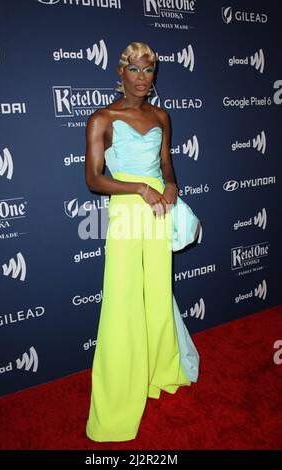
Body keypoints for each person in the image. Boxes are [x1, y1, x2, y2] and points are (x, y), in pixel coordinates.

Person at [84, 41, 199, 442]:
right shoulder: (102, 118)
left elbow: (167, 163)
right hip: (128, 212)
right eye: (133, 70)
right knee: (122, 299)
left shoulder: (162, 116)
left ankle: (160, 370)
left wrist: (170, 185)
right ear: (120, 73)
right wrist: (139, 189)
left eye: (148, 71)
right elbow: (94, 178)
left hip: (159, 213)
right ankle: (118, 397)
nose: (141, 78)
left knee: (156, 291)